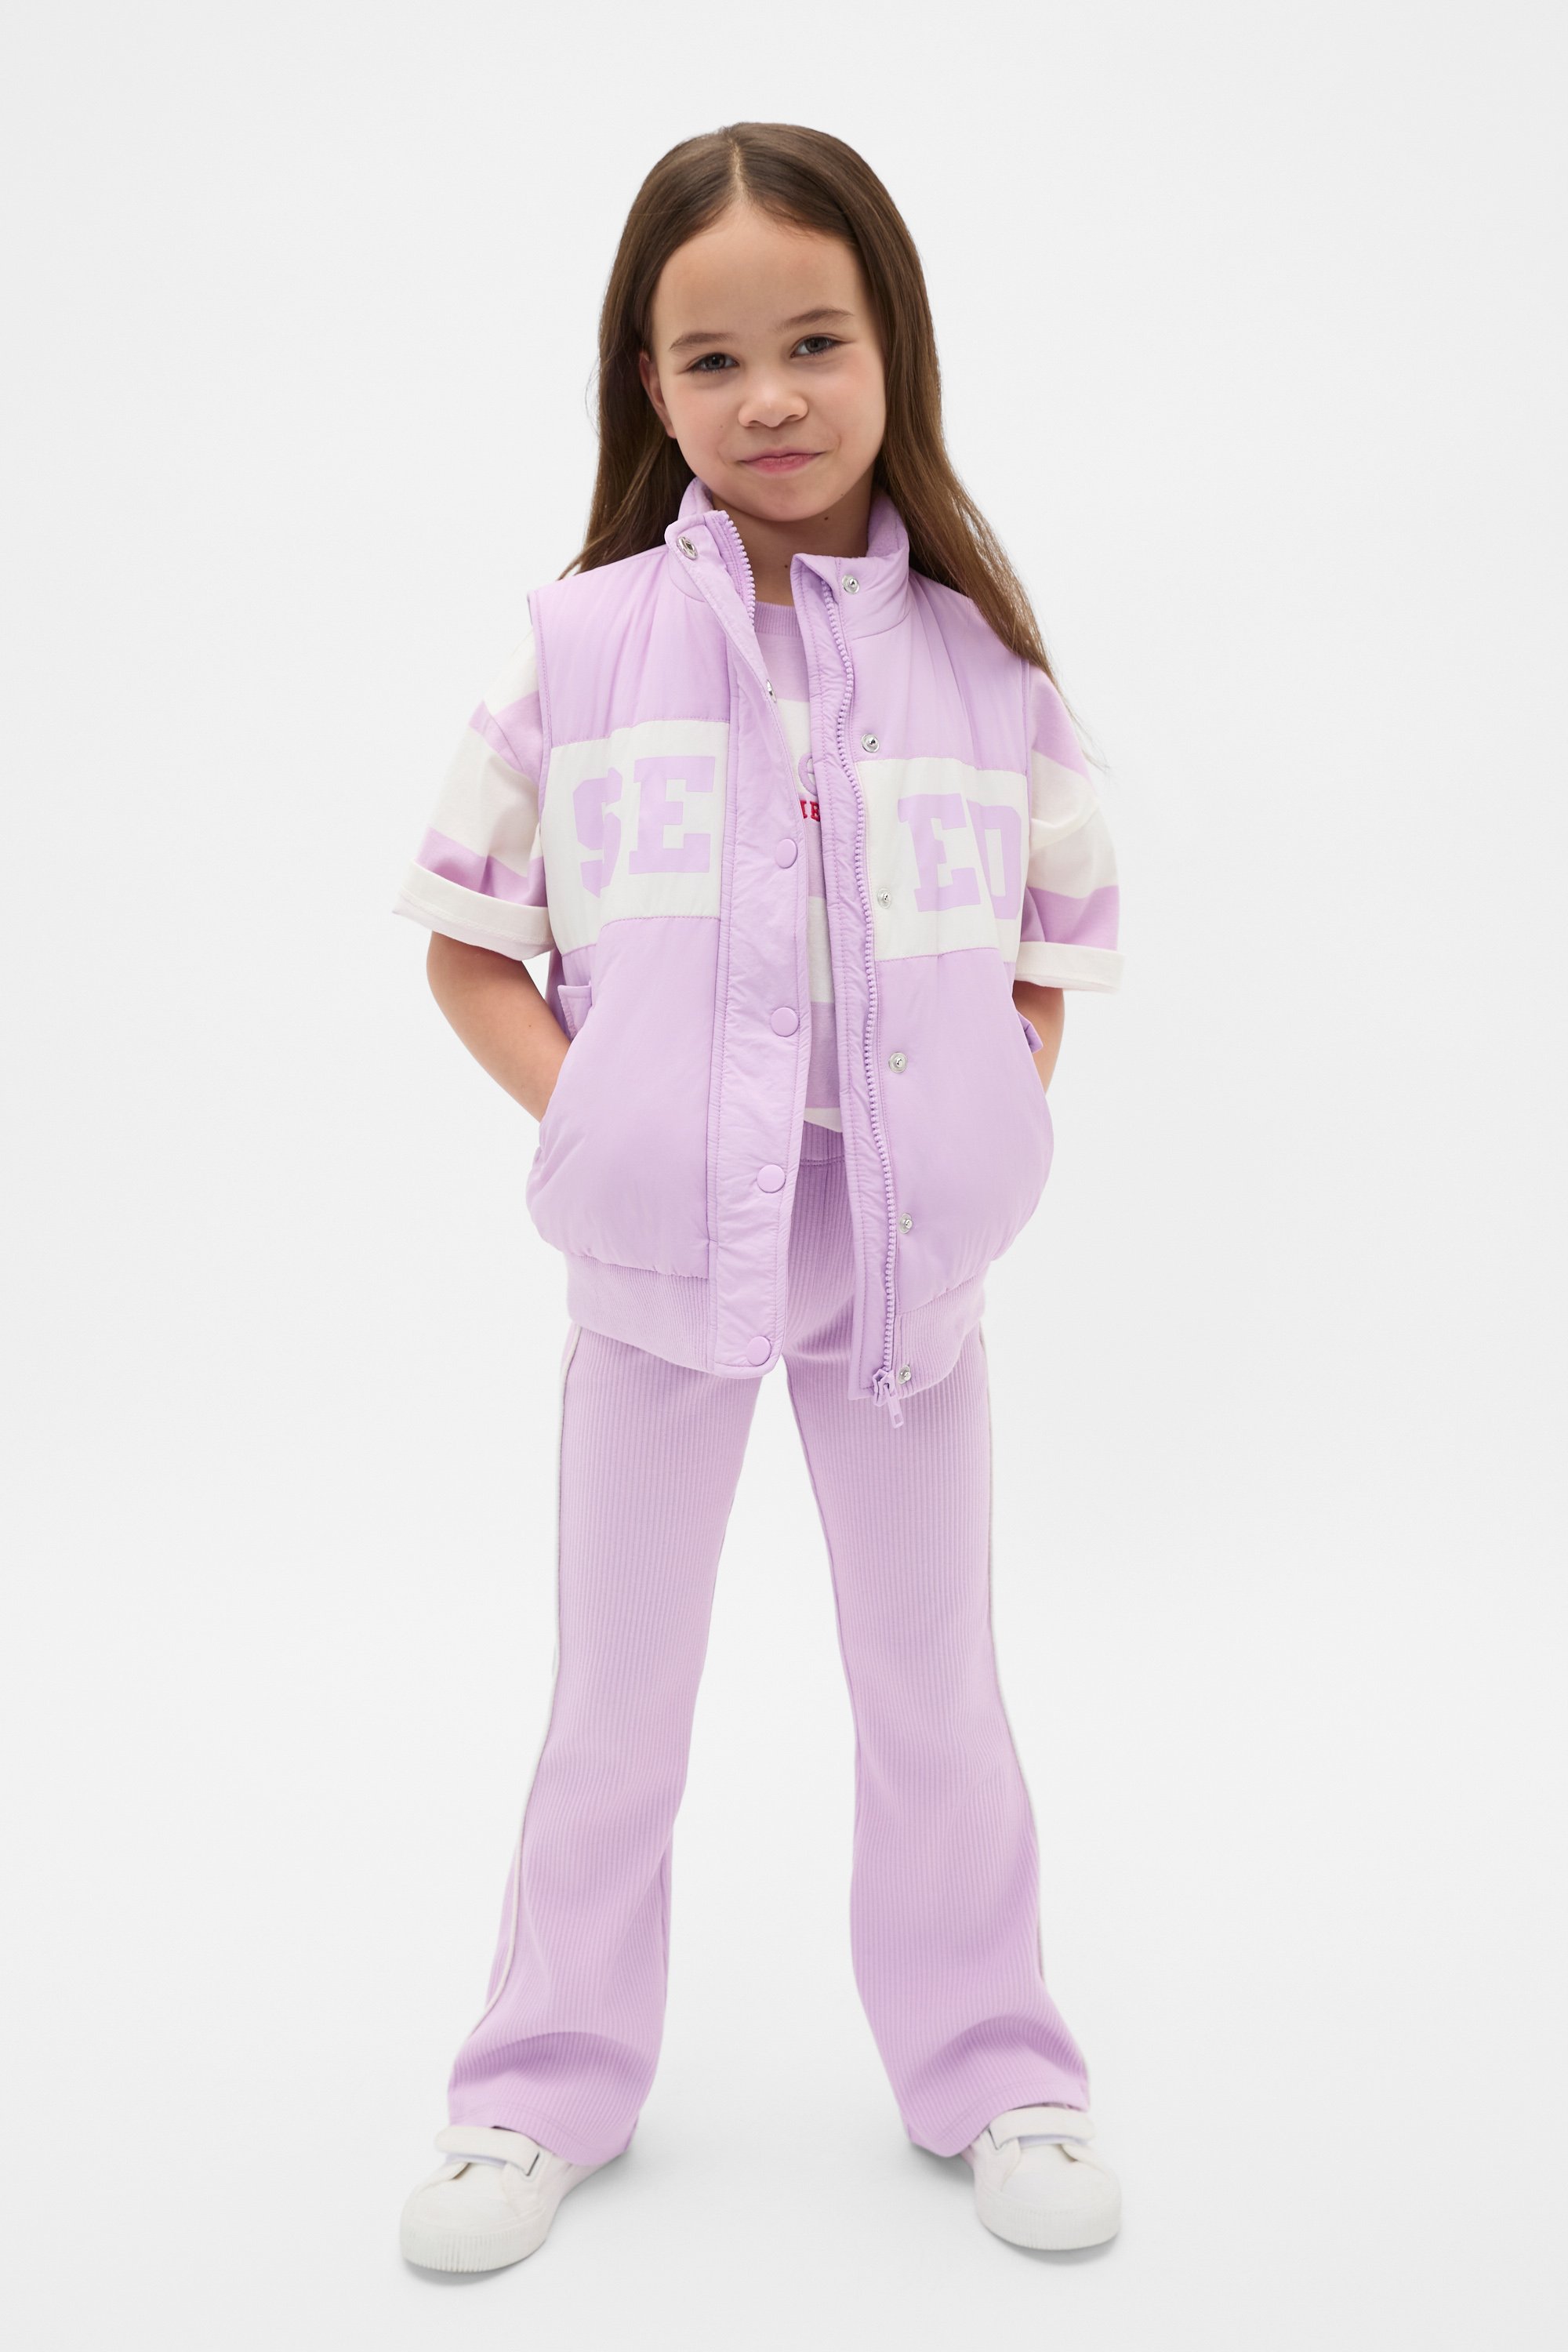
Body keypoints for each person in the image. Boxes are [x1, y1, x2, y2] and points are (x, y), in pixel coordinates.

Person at [394, 121, 1124, 2271]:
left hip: (905, 1267)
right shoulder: (578, 646)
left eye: (816, 341)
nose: (771, 397)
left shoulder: (989, 673)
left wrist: (990, 1117)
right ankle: (537, 2089)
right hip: (656, 1254)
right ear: (650, 383)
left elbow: (1046, 951)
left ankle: (998, 2066)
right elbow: (464, 943)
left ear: (894, 348)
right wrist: (598, 1116)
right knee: (616, 1699)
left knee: (935, 1683)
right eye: (713, 360)